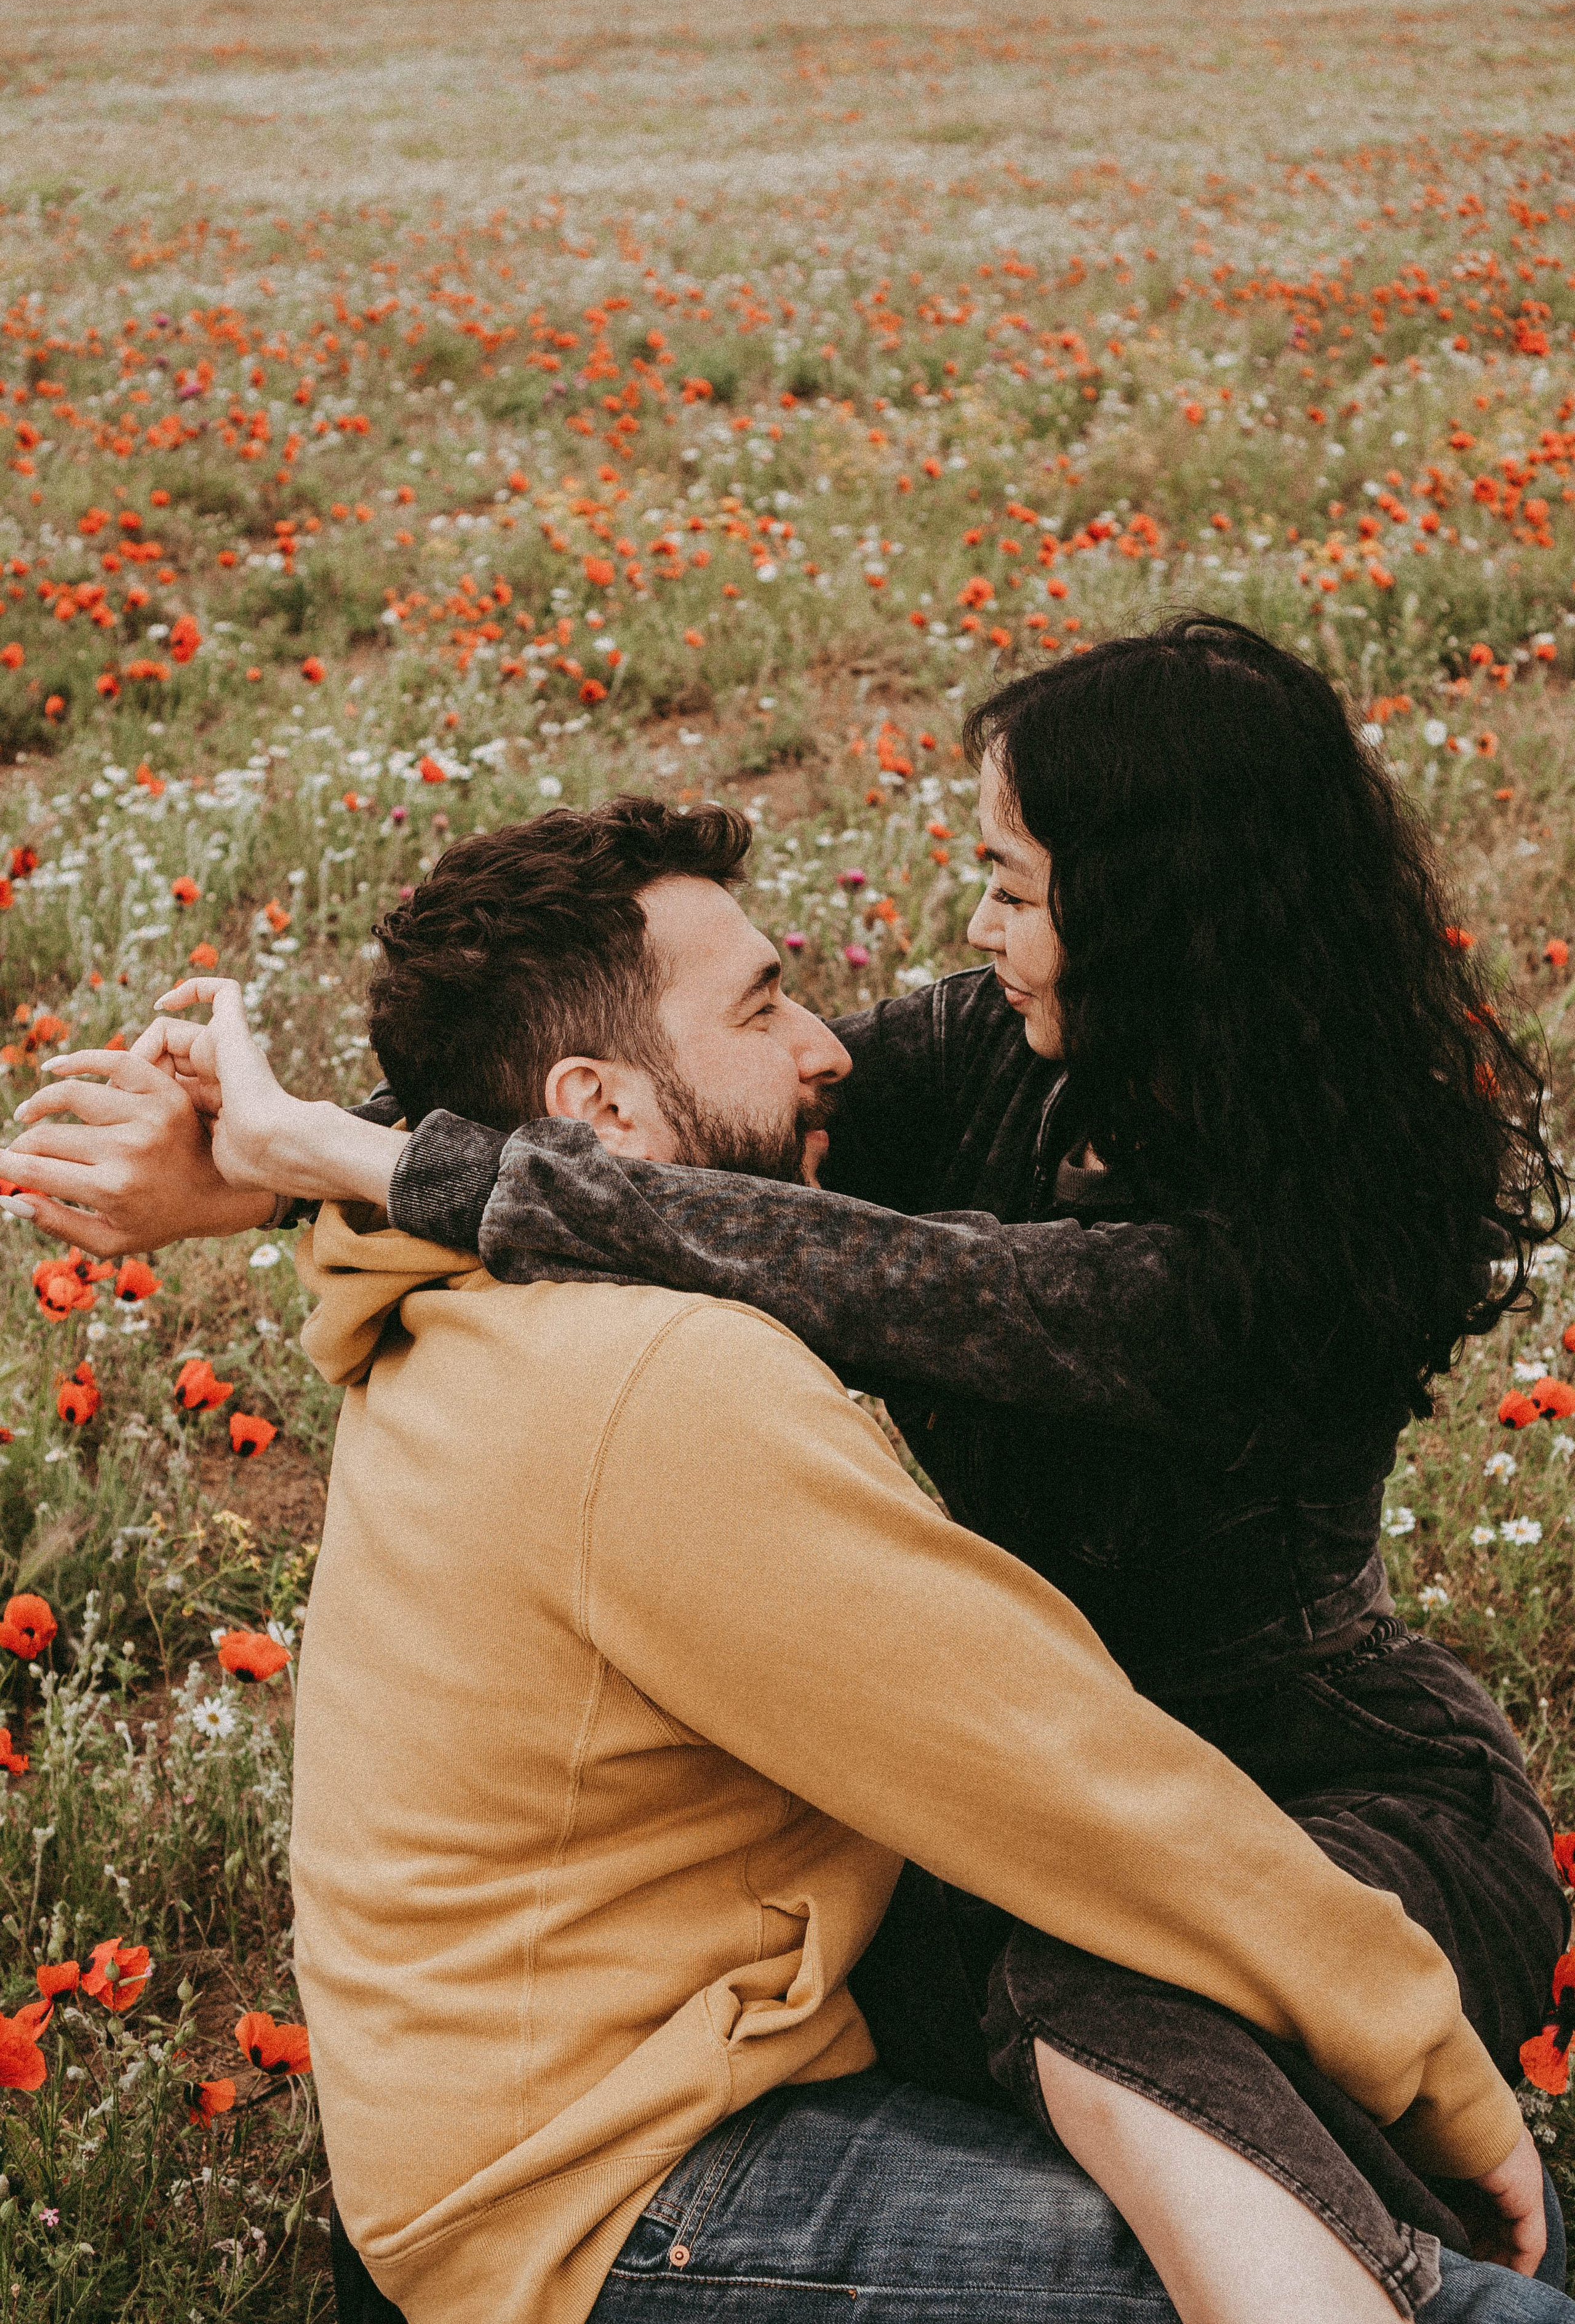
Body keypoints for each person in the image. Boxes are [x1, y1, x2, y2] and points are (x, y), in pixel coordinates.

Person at [6, 798, 1571, 2324]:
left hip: (564, 2111)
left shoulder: (482, 1293)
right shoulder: (653, 1382)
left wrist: (287, 1156)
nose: (827, 1048)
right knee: (1446, 2291)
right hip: (612, 2202)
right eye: (762, 1008)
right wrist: (1433, 2066)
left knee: (1293, 2191)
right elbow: (1058, 1772)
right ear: (598, 1114)